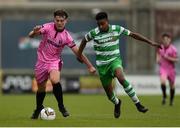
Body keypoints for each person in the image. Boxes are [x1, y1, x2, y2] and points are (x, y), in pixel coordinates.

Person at [77, 12, 161, 118]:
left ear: (107, 21)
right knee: (109, 95)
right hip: (102, 66)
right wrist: (79, 55)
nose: (100, 26)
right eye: (98, 24)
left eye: (102, 24)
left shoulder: (117, 29)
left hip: (114, 61)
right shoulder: (94, 33)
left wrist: (150, 42)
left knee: (121, 78)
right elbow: (84, 40)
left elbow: (133, 34)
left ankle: (138, 104)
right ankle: (117, 103)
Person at [28, 10, 96, 119]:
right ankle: (38, 108)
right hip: (41, 61)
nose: (59, 22)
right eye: (57, 20)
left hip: (54, 61)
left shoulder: (67, 36)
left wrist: (90, 66)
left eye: (62, 20)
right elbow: (31, 36)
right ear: (54, 20)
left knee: (55, 80)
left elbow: (78, 53)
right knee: (41, 88)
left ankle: (61, 106)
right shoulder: (47, 27)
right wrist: (34, 32)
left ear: (66, 21)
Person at [156, 33, 178, 106]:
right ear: (162, 40)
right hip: (163, 68)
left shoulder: (173, 49)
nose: (165, 41)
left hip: (171, 69)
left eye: (167, 39)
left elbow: (176, 60)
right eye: (164, 39)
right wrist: (158, 60)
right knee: (163, 81)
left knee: (172, 86)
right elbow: (158, 56)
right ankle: (164, 96)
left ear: (170, 40)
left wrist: (167, 57)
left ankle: (171, 100)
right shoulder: (160, 48)